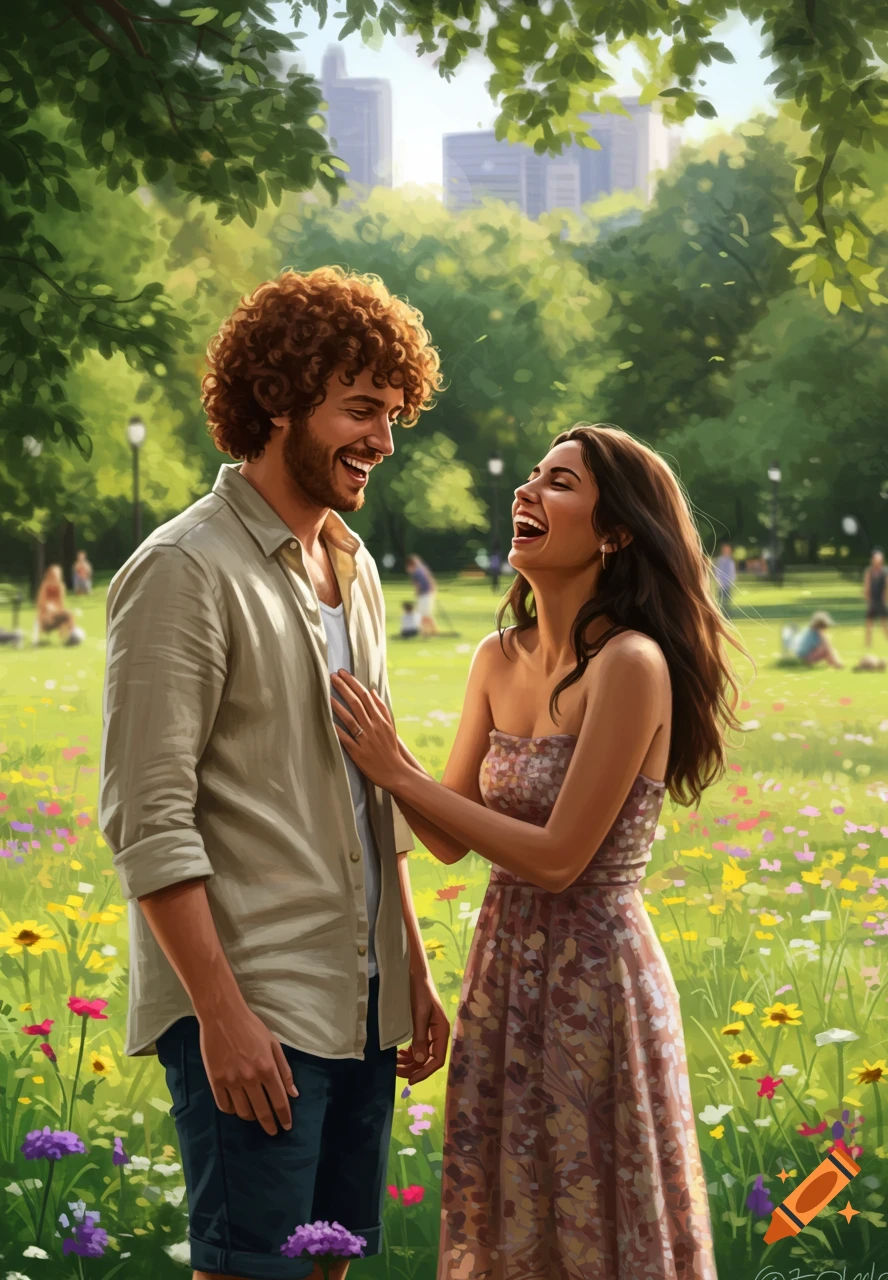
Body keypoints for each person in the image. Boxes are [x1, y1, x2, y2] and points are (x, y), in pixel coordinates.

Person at [98, 267, 449, 1280]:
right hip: (255, 1004)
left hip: (361, 996)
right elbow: (148, 818)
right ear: (278, 397)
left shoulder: (356, 565)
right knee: (250, 1271)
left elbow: (366, 797)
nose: (383, 440)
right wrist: (220, 1014)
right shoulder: (183, 569)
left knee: (327, 1263)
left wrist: (411, 972)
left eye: (393, 412)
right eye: (359, 409)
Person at [332, 423, 739, 1280]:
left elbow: (559, 860)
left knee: (598, 1219)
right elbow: (446, 834)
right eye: (531, 475)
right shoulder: (496, 657)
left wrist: (397, 772)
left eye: (558, 483)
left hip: (597, 985)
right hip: (504, 973)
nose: (525, 491)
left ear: (617, 530)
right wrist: (374, 754)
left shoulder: (631, 664)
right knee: (512, 1211)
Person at [35, 565, 76, 644]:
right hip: (45, 618)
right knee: (46, 615)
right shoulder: (44, 587)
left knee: (69, 614)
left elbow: (61, 605)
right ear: (49, 576)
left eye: (58, 576)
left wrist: (55, 611)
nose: (56, 578)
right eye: (54, 576)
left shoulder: (60, 587)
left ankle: (72, 637)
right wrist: (47, 610)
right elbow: (41, 605)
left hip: (56, 614)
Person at [864, 549, 888, 647]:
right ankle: (868, 642)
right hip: (873, 600)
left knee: (885, 621)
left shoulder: (885, 572)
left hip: (881, 600)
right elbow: (866, 587)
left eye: (879, 560)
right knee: (869, 622)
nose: (877, 562)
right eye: (875, 559)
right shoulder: (869, 571)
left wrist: (886, 600)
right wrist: (868, 601)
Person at [405, 553, 438, 636]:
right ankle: (429, 631)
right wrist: (433, 590)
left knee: (423, 615)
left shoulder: (416, 573)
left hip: (423, 595)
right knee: (425, 614)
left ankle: (429, 631)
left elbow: (417, 585)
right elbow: (431, 580)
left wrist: (417, 593)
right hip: (428, 594)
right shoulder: (423, 569)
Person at [713, 540, 737, 616]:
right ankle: (720, 615)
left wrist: (732, 581)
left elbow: (732, 572)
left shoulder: (730, 561)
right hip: (721, 584)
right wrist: (719, 581)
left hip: (728, 584)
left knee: (726, 601)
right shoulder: (720, 560)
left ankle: (726, 615)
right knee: (720, 600)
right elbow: (717, 571)